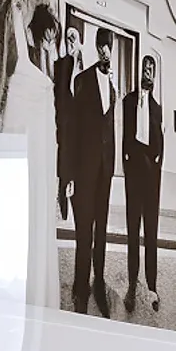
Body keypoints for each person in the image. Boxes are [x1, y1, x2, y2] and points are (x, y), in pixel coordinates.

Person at [0, 0, 59, 351]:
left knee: (33, 203)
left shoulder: (36, 22)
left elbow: (47, 39)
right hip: (16, 114)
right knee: (12, 207)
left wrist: (40, 6)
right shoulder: (4, 4)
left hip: (36, 115)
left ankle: (33, 300)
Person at [71, 27, 118, 317]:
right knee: (83, 230)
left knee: (102, 229)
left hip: (105, 168)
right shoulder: (82, 80)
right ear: (95, 47)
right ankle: (80, 285)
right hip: (85, 168)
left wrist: (112, 163)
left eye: (108, 45)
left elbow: (109, 126)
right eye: (101, 45)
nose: (104, 50)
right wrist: (69, 175)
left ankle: (98, 281)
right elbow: (73, 128)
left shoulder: (112, 84)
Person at [121, 53, 165, 318]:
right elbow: (124, 138)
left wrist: (156, 168)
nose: (147, 72)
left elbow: (160, 144)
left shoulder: (157, 108)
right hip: (133, 174)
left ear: (154, 75)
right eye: (145, 68)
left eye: (151, 69)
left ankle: (152, 286)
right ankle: (131, 286)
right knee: (132, 232)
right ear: (140, 71)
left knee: (151, 233)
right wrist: (127, 167)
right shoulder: (128, 101)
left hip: (152, 177)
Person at [53, 22, 84, 220]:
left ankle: (74, 201)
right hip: (65, 119)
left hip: (79, 122)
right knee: (64, 160)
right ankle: (62, 202)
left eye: (74, 38)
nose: (71, 42)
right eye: (68, 38)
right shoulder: (62, 63)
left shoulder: (83, 65)